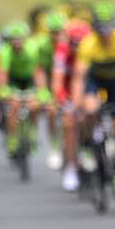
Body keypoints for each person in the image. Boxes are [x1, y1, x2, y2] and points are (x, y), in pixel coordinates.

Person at [71, 2, 115, 196]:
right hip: (95, 81)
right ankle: (86, 146)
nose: (105, 33)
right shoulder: (88, 44)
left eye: (108, 28)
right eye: (101, 29)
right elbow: (79, 77)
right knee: (91, 109)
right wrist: (78, 103)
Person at [0, 22, 48, 161]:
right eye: (14, 39)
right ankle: (12, 138)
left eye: (20, 39)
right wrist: (4, 89)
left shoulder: (32, 49)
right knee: (14, 106)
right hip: (13, 79)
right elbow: (2, 73)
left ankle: (33, 132)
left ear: (25, 39)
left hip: (29, 79)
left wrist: (42, 90)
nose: (17, 42)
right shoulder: (5, 51)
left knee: (34, 105)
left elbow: (38, 72)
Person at [53, 19, 91, 191]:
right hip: (69, 90)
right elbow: (57, 81)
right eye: (73, 43)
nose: (76, 47)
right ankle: (71, 167)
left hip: (88, 89)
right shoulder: (61, 51)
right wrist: (61, 99)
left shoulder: (91, 51)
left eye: (80, 44)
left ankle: (90, 146)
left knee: (90, 113)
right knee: (69, 122)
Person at [33, 11, 68, 169]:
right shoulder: (42, 45)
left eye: (59, 31)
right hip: (48, 78)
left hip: (67, 79)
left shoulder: (70, 43)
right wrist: (43, 91)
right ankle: (54, 146)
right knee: (51, 111)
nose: (56, 35)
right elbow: (39, 69)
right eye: (53, 32)